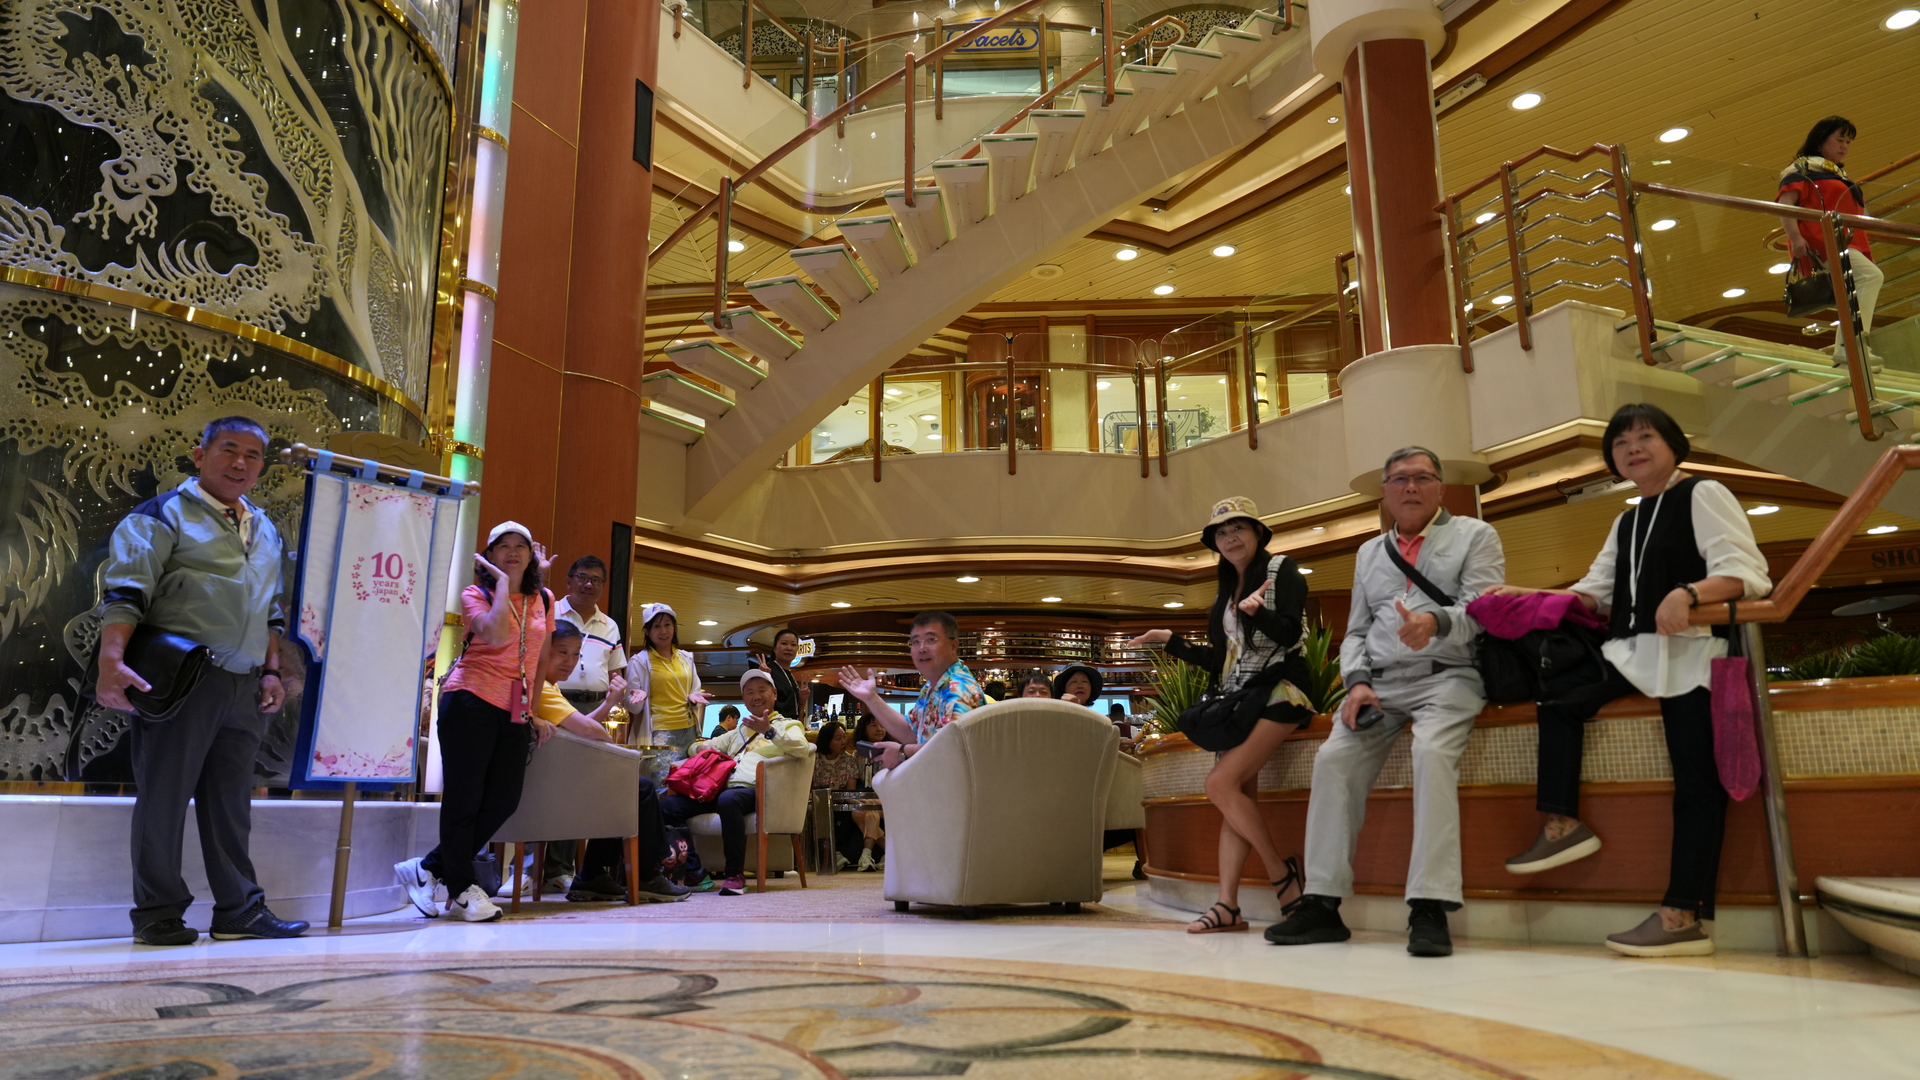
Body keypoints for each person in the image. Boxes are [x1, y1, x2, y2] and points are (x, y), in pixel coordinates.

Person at [1491, 404, 1770, 957]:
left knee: (1696, 786)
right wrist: (1528, 595)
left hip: (1694, 654)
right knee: (1560, 697)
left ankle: (1681, 916)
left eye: (1645, 437)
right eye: (1621, 443)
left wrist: (1689, 594)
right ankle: (1562, 824)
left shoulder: (1704, 493)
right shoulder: (1629, 519)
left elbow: (1747, 573)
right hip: (1635, 651)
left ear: (1673, 444)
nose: (1632, 448)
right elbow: (1595, 592)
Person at [1267, 449, 1506, 958]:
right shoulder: (1370, 552)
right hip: (1378, 686)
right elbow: (1356, 631)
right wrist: (1356, 682)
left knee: (1432, 755)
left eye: (1422, 477)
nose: (1410, 487)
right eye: (1399, 479)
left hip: (1449, 677)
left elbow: (1484, 610)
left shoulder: (1475, 535)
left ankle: (1429, 906)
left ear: (1440, 487)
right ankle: (1322, 903)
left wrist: (1435, 622)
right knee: (1332, 760)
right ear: (1385, 492)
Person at [95, 416, 308, 946]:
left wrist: (271, 671)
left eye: (252, 455)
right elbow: (126, 591)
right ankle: (157, 913)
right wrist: (111, 661)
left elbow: (270, 611)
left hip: (243, 682)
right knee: (164, 797)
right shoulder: (162, 513)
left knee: (232, 804)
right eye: (229, 449)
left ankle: (239, 910)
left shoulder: (263, 527)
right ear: (200, 455)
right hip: (180, 677)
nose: (240, 463)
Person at [1128, 497, 1314, 937]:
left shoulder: (1280, 570)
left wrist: (1259, 612)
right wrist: (1171, 640)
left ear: (1257, 533)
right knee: (1235, 798)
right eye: (1221, 533)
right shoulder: (1226, 590)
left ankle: (1282, 874)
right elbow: (1222, 660)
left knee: (1219, 784)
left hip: (1281, 691)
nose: (1230, 538)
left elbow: (1290, 632)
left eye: (1238, 529)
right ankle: (1227, 905)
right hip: (1241, 700)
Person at [395, 520, 554, 923]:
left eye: (521, 546)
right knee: (464, 800)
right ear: (488, 555)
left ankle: (429, 867)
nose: (513, 552)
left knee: (504, 800)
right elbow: (497, 634)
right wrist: (503, 585)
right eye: (504, 546)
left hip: (514, 707)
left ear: (531, 554)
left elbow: (540, 659)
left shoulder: (544, 598)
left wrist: (533, 711)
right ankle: (463, 888)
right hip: (469, 700)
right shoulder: (475, 594)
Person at [659, 668, 813, 894]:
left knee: (729, 800)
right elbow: (695, 746)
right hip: (722, 791)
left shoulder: (788, 725)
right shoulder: (738, 732)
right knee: (668, 806)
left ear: (774, 694)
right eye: (749, 692)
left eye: (762, 690)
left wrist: (769, 731)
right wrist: (701, 748)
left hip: (759, 792)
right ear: (744, 699)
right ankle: (693, 871)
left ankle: (735, 874)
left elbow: (802, 748)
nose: (756, 696)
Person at [1776, 116, 1883, 366]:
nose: (1844, 146)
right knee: (1870, 277)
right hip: (1822, 241)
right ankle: (1852, 345)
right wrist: (1795, 238)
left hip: (1843, 241)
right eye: (1839, 140)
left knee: (1854, 290)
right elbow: (1785, 205)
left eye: (1848, 142)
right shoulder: (1802, 169)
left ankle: (1846, 349)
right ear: (1821, 140)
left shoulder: (1835, 173)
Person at [837, 611, 983, 771]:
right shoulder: (931, 687)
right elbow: (911, 732)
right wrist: (871, 698)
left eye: (931, 639)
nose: (922, 648)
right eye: (915, 642)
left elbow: (953, 748)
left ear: (953, 645)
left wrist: (902, 752)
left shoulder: (959, 688)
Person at [625, 603, 710, 761]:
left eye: (667, 625)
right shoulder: (639, 661)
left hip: (689, 729)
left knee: (686, 775)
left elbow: (696, 692)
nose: (663, 631)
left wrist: (693, 697)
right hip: (659, 733)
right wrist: (641, 697)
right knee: (662, 777)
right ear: (646, 631)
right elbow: (632, 707)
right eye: (656, 626)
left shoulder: (686, 658)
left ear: (674, 627)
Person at [553, 556, 626, 712]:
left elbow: (615, 674)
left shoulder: (610, 625)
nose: (589, 585)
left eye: (596, 580)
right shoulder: (548, 613)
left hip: (597, 705)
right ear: (568, 582)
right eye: (582, 577)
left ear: (603, 586)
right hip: (554, 701)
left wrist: (617, 707)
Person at [812, 719, 884, 871]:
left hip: (843, 801)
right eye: (838, 738)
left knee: (858, 810)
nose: (844, 741)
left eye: (844, 737)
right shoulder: (814, 760)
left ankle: (863, 854)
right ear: (827, 741)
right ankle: (887, 852)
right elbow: (809, 786)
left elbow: (850, 790)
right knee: (860, 810)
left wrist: (854, 800)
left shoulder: (849, 760)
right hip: (819, 801)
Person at [758, 628, 807, 719]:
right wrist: (762, 679)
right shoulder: (769, 670)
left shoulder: (790, 675)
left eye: (793, 644)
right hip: (774, 725)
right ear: (775, 648)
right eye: (784, 643)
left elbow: (796, 715)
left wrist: (802, 702)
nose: (789, 648)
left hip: (792, 726)